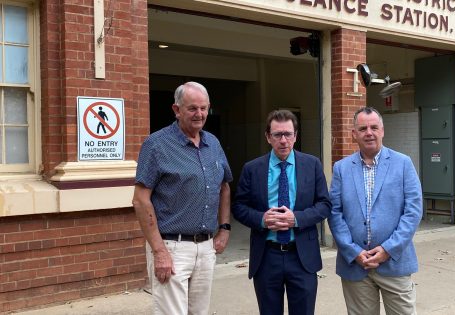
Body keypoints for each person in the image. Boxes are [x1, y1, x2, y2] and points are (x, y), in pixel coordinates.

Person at [132, 82, 233, 315]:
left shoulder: (213, 143)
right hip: (172, 247)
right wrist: (159, 251)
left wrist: (225, 228)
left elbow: (224, 186)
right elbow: (140, 200)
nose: (200, 114)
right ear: (177, 110)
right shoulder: (156, 145)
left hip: (206, 247)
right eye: (192, 109)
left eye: (204, 108)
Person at [232, 109, 331, 315]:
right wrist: (262, 219)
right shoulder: (253, 168)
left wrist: (296, 218)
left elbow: (324, 205)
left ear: (296, 136)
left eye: (288, 134)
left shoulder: (311, 164)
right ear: (268, 137)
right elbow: (239, 207)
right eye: (277, 135)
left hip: (302, 255)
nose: (283, 140)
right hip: (267, 255)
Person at [328, 107, 423, 315]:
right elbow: (335, 214)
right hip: (355, 265)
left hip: (395, 262)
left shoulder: (403, 163)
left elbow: (413, 211)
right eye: (362, 128)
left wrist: (388, 250)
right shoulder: (341, 168)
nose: (368, 132)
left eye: (373, 127)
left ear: (382, 130)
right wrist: (353, 252)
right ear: (354, 134)